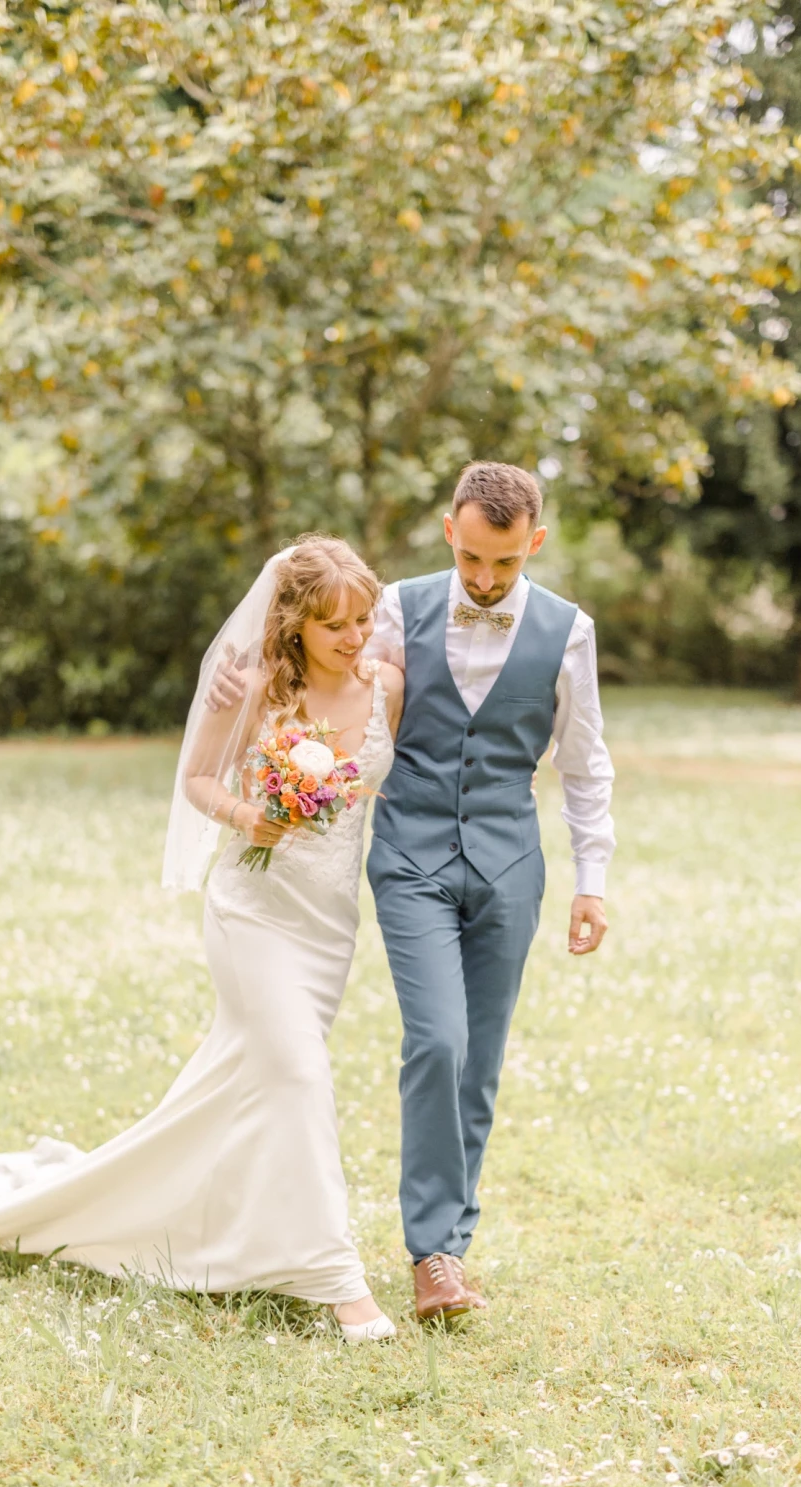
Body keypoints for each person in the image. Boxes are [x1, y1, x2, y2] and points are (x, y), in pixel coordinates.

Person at [0, 536, 404, 1344]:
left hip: (328, 925)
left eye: (363, 619)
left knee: (250, 1087)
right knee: (296, 1072)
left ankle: (212, 1228)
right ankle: (337, 1280)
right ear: (294, 625)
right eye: (335, 626)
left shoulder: (387, 683)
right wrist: (250, 816)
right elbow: (196, 781)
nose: (355, 637)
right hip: (253, 913)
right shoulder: (251, 687)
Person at [209, 464, 614, 1323]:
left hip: (511, 865)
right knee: (437, 1040)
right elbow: (318, 665)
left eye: (503, 564)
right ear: (448, 531)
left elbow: (584, 764)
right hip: (411, 858)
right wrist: (232, 676)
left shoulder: (568, 632)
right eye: (470, 558)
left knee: (482, 1056)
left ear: (533, 543)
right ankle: (429, 1252)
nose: (484, 579)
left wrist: (594, 880)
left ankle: (449, 1251)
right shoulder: (393, 606)